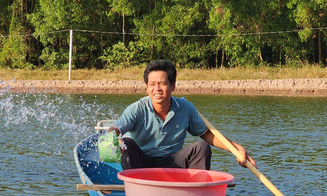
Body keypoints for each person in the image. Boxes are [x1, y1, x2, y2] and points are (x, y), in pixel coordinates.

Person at [108, 60, 256, 171]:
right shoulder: (137, 109)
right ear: (146, 87)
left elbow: (207, 134)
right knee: (126, 143)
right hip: (143, 164)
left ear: (173, 86)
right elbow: (114, 130)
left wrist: (236, 148)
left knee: (201, 147)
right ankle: (136, 191)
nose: (157, 89)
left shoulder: (186, 108)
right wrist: (114, 142)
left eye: (162, 84)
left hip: (173, 163)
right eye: (152, 84)